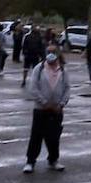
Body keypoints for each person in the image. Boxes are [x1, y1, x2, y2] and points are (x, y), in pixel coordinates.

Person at [23, 45, 69, 173]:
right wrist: (44, 103)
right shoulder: (39, 69)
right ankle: (30, 161)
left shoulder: (63, 71)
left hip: (57, 110)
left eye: (53, 52)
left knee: (54, 137)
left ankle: (53, 160)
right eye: (48, 52)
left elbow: (67, 88)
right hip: (41, 109)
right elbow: (33, 88)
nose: (51, 54)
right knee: (36, 136)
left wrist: (61, 104)